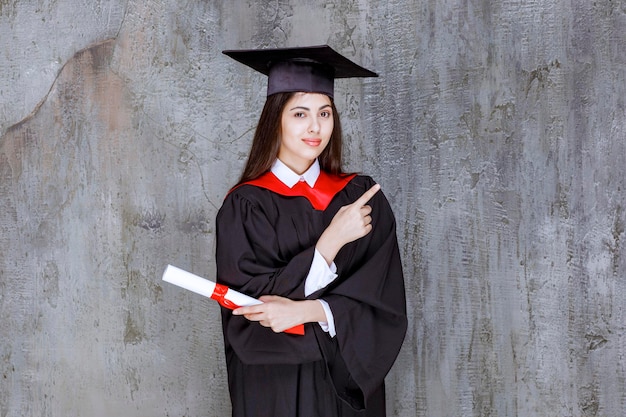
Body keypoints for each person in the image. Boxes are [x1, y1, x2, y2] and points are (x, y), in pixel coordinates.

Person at [215, 45, 407, 417]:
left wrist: (307, 313)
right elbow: (251, 310)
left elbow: (383, 303)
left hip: (342, 389)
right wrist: (330, 242)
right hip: (274, 390)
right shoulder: (244, 206)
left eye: (325, 113)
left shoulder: (360, 198)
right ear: (277, 120)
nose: (315, 127)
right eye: (300, 114)